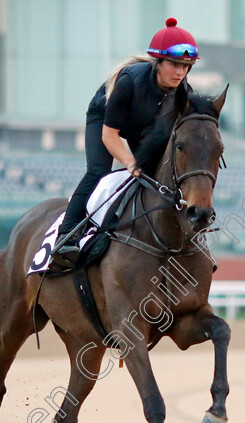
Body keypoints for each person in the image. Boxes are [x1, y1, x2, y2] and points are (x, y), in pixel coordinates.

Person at [49, 17, 199, 271]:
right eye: (174, 64)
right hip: (106, 121)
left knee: (156, 175)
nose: (180, 72)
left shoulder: (184, 90)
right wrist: (130, 162)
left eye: (186, 66)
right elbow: (110, 135)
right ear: (158, 62)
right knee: (99, 172)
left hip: (144, 124)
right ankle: (66, 238)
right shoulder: (130, 81)